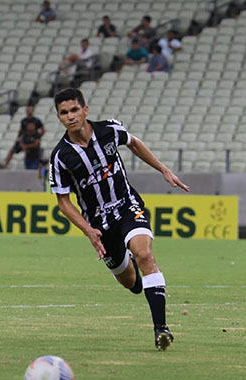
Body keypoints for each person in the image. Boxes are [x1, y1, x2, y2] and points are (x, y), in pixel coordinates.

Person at [47, 87, 190, 350]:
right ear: (58, 117)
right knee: (132, 283)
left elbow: (133, 143)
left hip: (127, 206)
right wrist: (88, 230)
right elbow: (64, 203)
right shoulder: (61, 157)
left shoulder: (109, 130)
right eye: (63, 113)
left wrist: (162, 169)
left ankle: (161, 329)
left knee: (146, 255)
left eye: (74, 110)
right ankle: (131, 265)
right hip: (100, 224)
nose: (70, 116)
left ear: (85, 110)